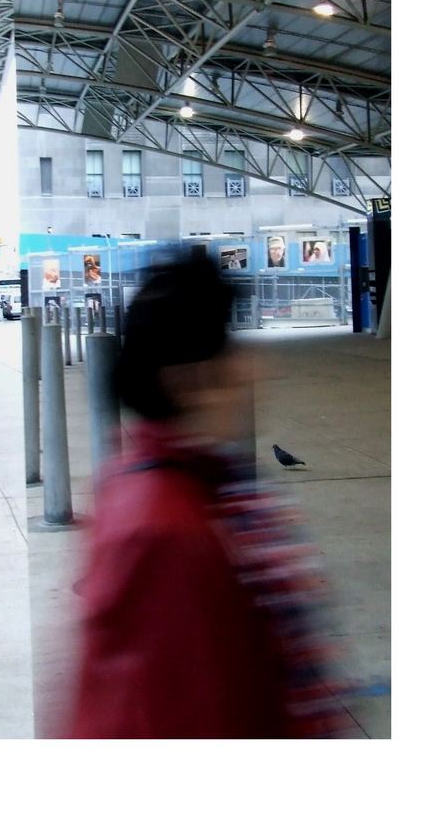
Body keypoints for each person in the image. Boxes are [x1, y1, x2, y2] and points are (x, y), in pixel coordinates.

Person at [68, 255, 342, 739]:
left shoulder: (185, 485)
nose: (250, 367)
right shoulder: (167, 532)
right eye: (229, 347)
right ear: (187, 380)